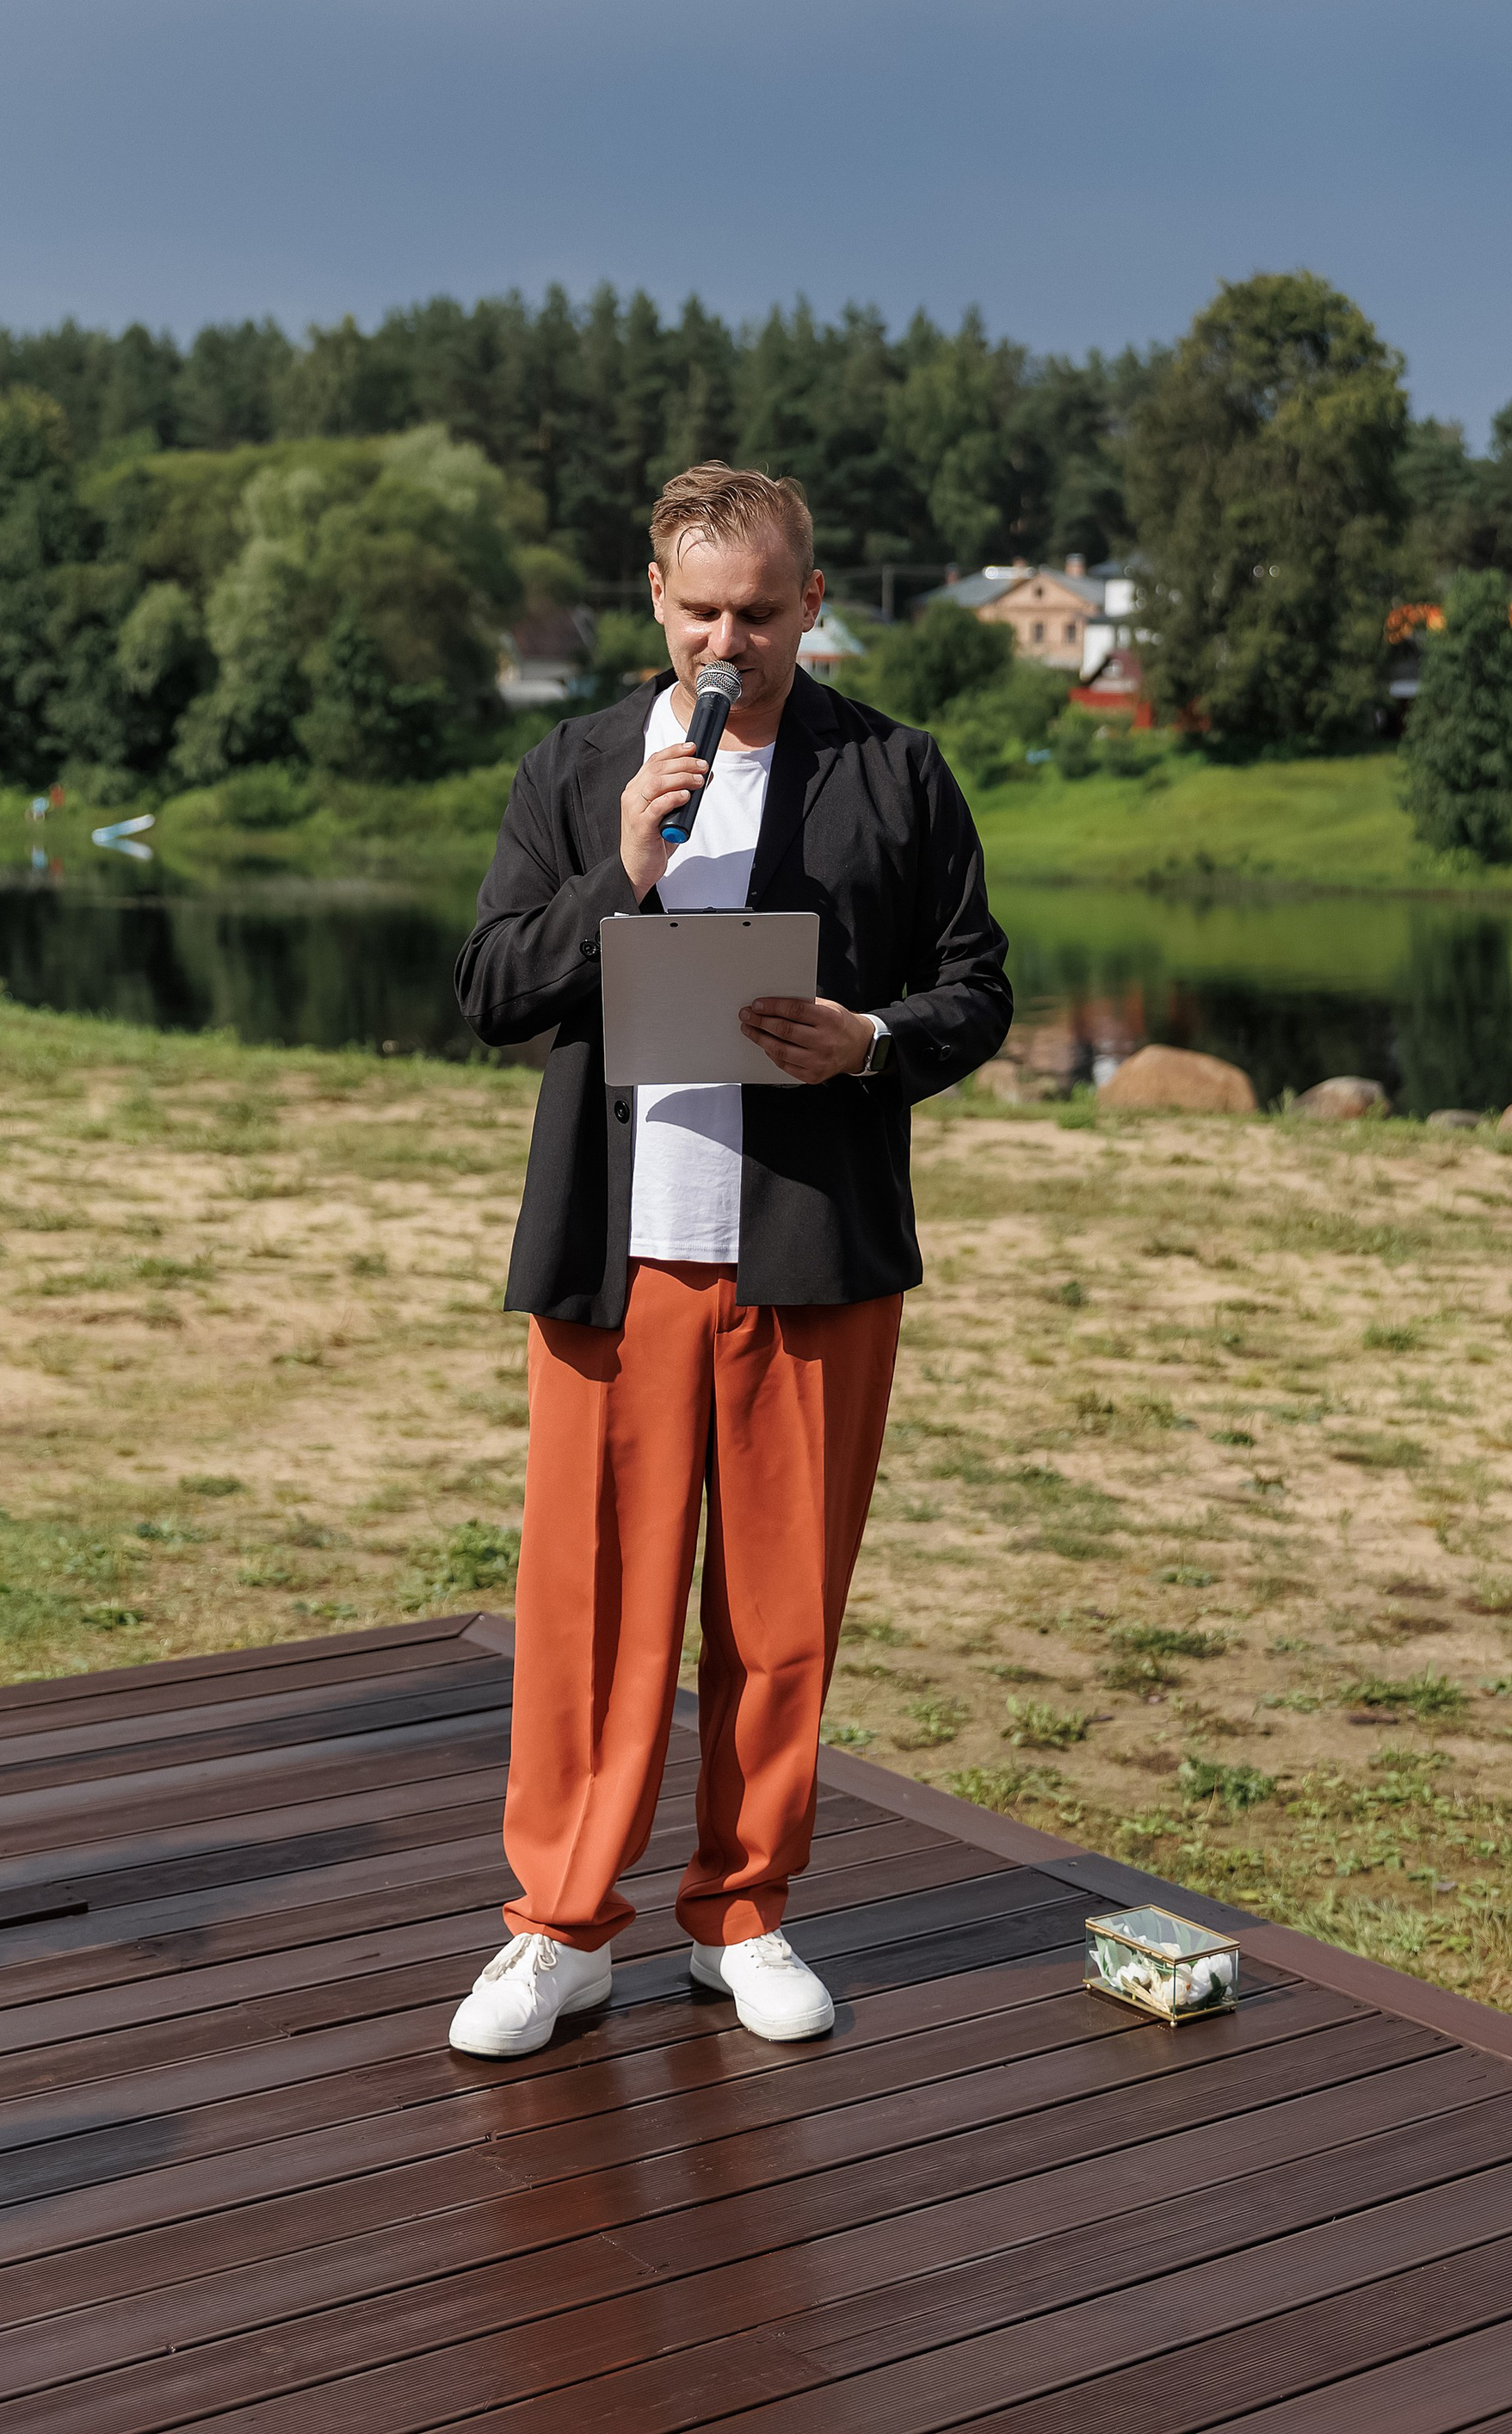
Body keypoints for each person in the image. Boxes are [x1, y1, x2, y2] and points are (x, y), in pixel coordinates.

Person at [446, 463, 1011, 2054]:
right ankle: (558, 1927)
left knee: (780, 1609)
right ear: (654, 601)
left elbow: (977, 990)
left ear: (812, 606)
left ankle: (743, 1913)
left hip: (809, 1254)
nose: (728, 642)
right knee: (589, 1606)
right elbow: (490, 987)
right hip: (616, 1260)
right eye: (700, 612)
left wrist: (873, 1038)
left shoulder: (895, 775)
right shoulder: (573, 769)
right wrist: (615, 871)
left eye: (760, 613)